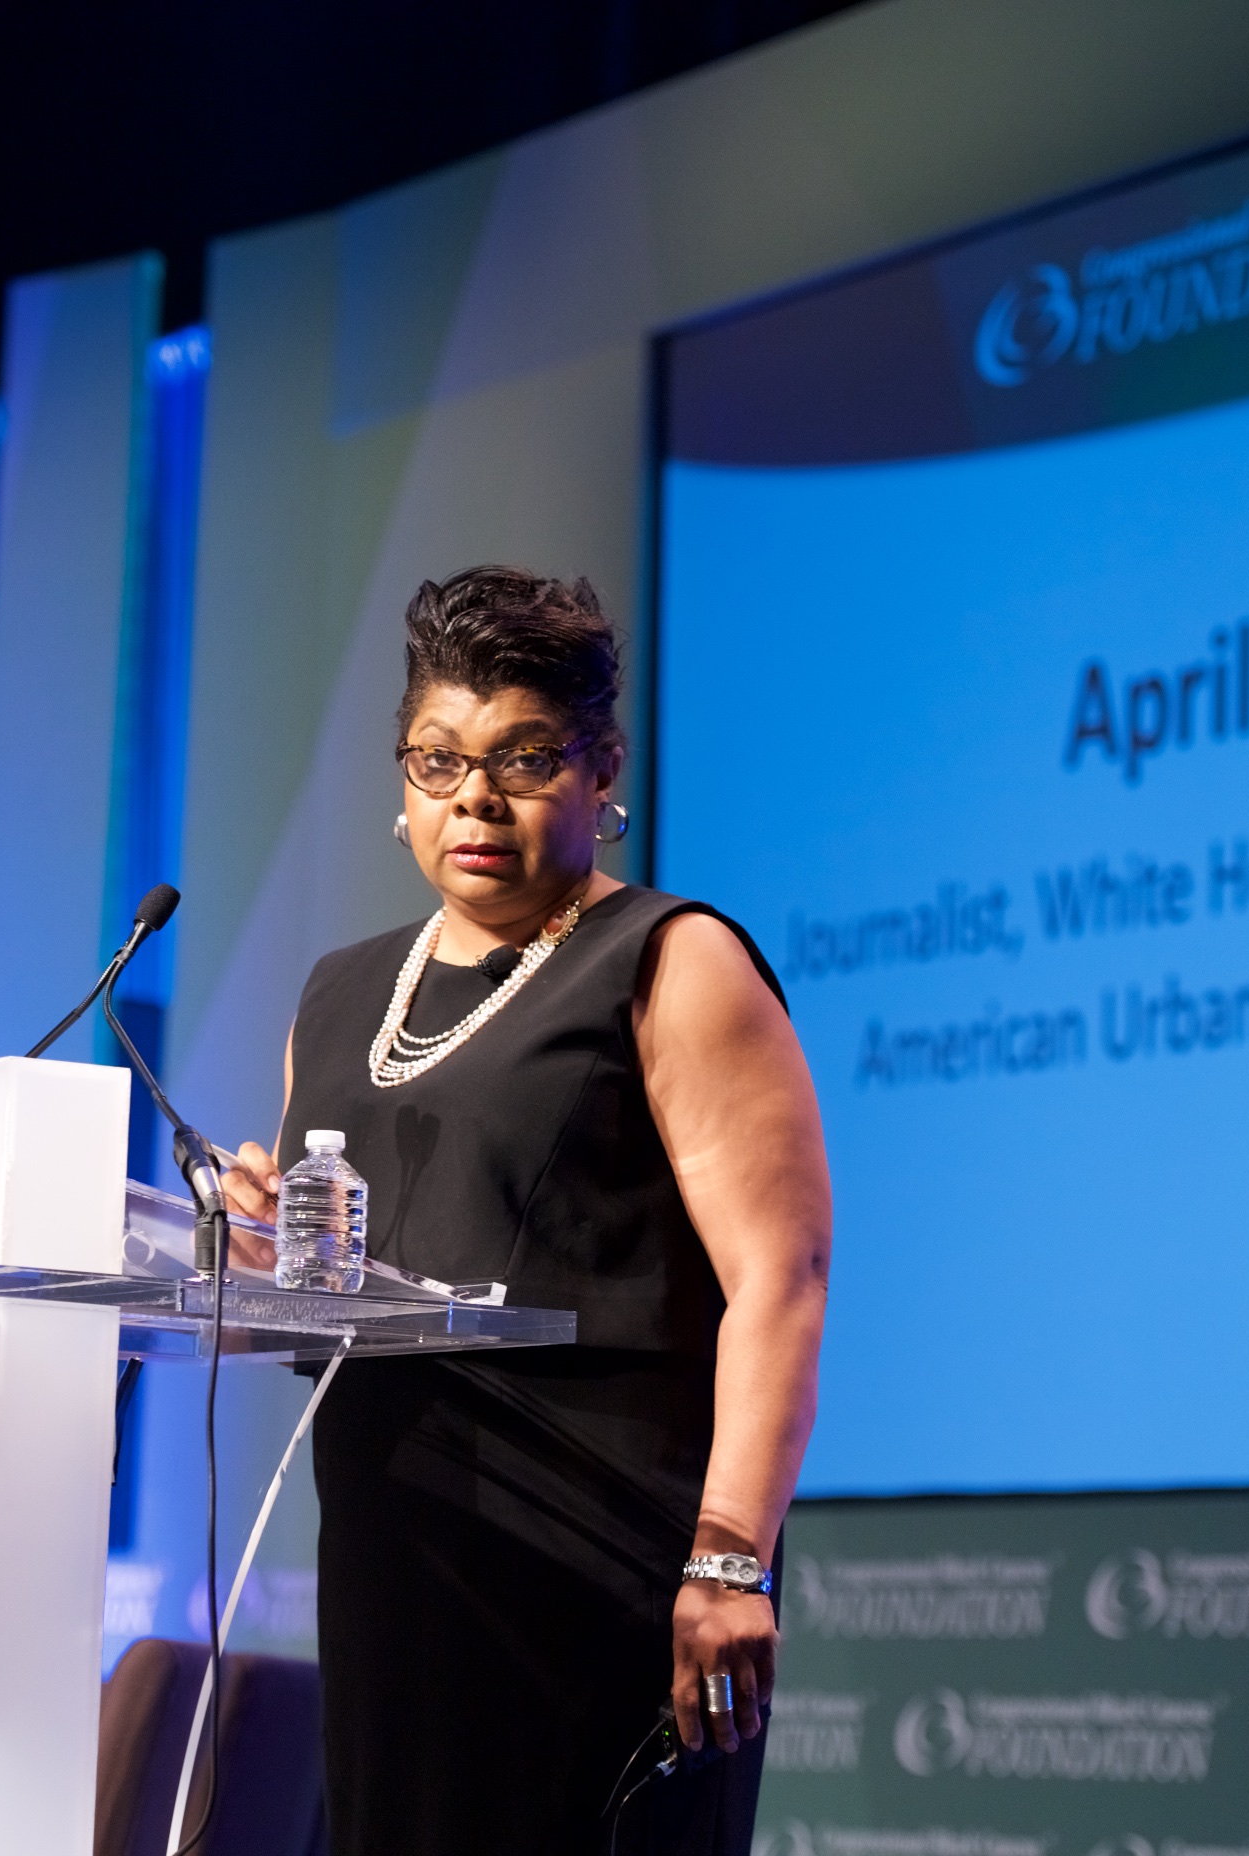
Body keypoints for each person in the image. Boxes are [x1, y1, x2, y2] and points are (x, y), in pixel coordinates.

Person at [220, 566, 832, 1856]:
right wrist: (266, 1249)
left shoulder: (672, 960)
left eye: (526, 757)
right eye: (438, 760)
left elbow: (781, 1278)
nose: (475, 797)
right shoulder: (339, 997)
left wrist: (730, 1559)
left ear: (603, 773)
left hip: (607, 1566)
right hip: (401, 1562)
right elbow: (344, 1302)